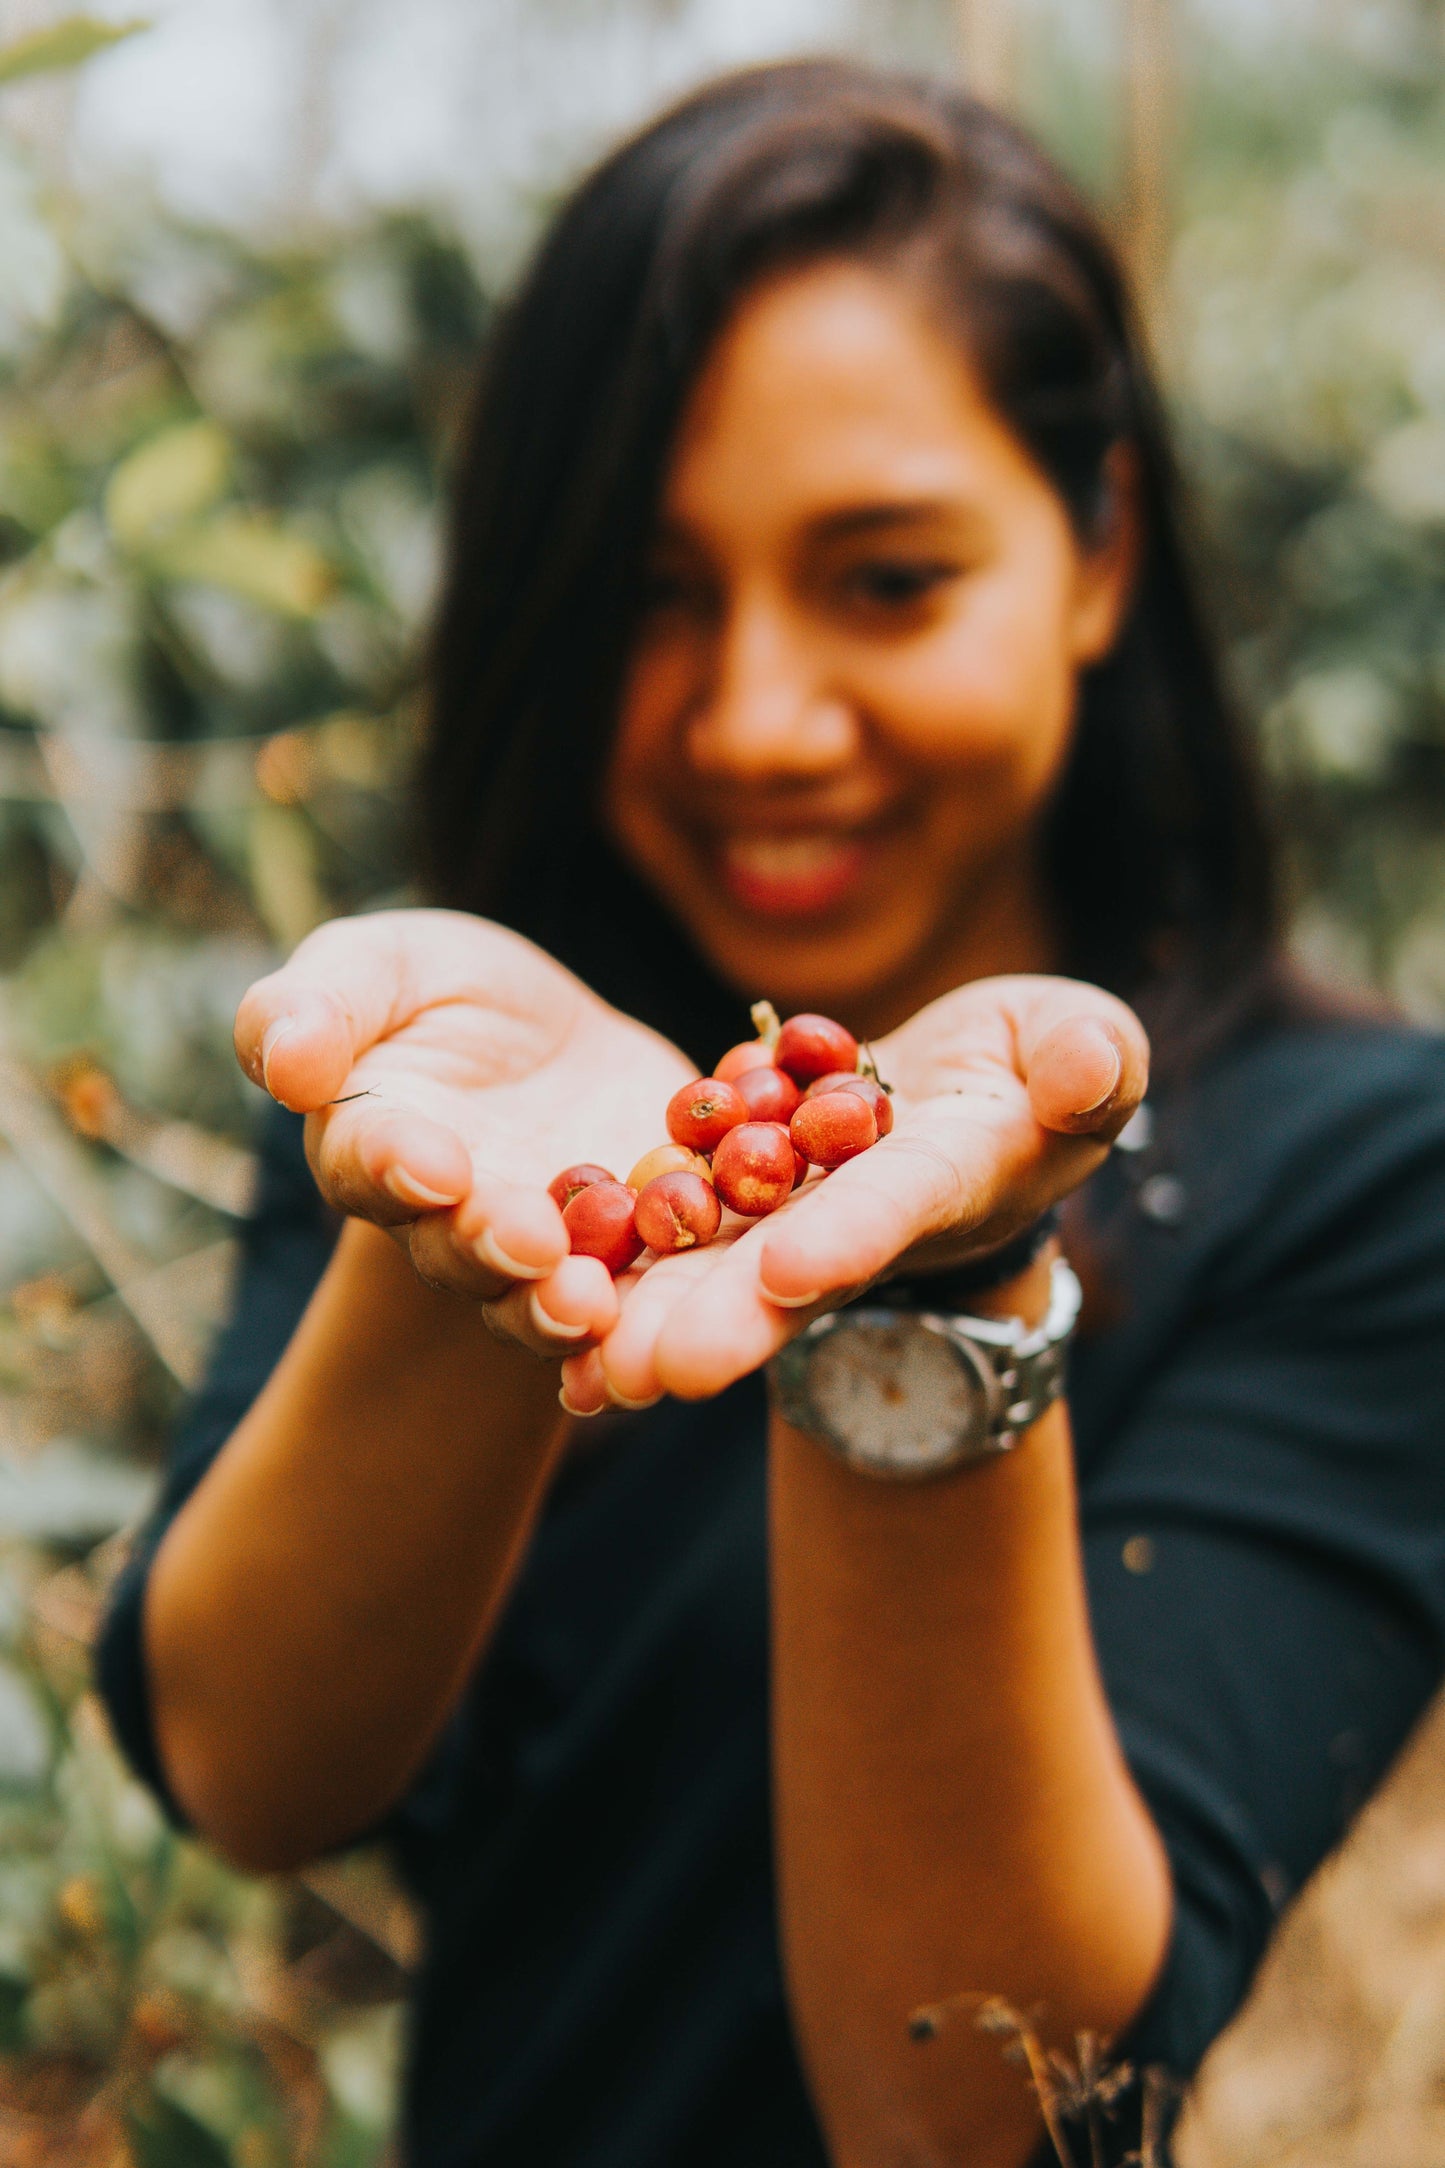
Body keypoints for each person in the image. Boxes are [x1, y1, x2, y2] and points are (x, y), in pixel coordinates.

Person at [97, 58, 1445, 2168]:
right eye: (651, 592)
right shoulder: (472, 1062)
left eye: (885, 579)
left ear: (1094, 556)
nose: (757, 718)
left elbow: (972, 2117)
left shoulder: (1373, 1174)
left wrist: (949, 1284)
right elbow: (247, 1761)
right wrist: (463, 1259)